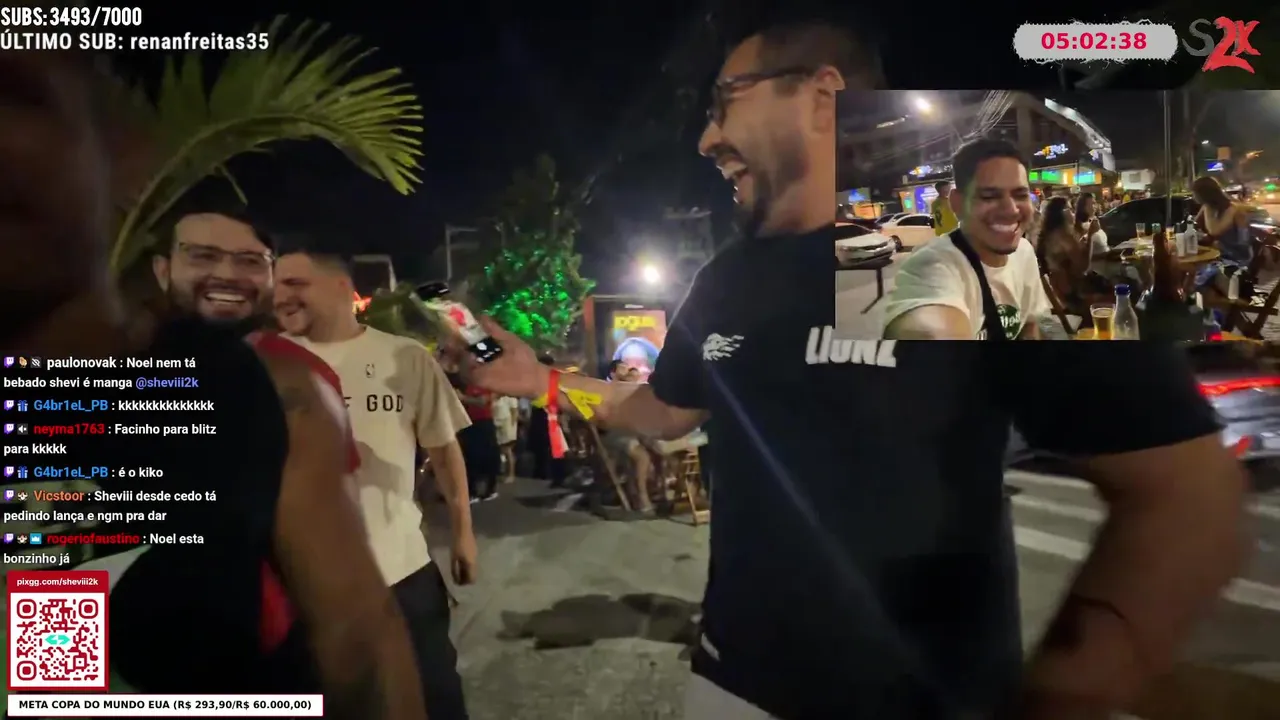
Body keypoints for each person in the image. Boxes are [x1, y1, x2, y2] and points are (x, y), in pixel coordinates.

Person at [451, 22, 1247, 720]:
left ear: (822, 96)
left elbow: (1185, 498)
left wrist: (1054, 700)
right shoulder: (725, 280)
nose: (705, 139)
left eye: (724, 102)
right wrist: (540, 382)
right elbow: (661, 409)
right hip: (731, 683)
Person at [2, 48, 424, 717]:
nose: (228, 276)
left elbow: (359, 641)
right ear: (164, 266)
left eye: (16, 94)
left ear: (120, 156)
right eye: (204, 256)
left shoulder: (266, 386)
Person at [273, 246, 476, 719]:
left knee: (434, 699)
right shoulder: (266, 362)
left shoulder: (405, 357)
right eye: (276, 286)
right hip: (302, 583)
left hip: (400, 571)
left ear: (341, 288)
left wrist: (463, 533)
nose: (280, 297)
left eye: (295, 284)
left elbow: (444, 452)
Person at [882, 138, 1051, 340]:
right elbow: (926, 328)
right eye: (989, 196)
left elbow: (1030, 324)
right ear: (957, 203)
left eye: (1021, 195)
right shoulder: (932, 265)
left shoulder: (1024, 251)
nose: (1011, 210)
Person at [601, 360, 656, 514]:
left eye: (627, 368)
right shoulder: (610, 390)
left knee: (661, 452)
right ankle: (642, 497)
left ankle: (649, 490)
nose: (626, 371)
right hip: (617, 434)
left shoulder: (630, 389)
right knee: (643, 457)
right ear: (613, 373)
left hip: (634, 433)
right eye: (622, 368)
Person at [1192, 175, 1255, 292]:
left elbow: (1214, 231)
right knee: (1188, 272)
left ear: (1204, 194)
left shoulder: (1232, 209)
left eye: (1195, 193)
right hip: (1220, 255)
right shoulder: (1211, 207)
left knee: (1196, 279)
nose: (1193, 196)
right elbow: (1194, 225)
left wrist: (1207, 208)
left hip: (1236, 259)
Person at [457, 381, 502, 501]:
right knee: (471, 456)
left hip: (484, 422)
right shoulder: (467, 385)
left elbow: (483, 401)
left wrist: (464, 398)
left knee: (489, 455)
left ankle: (490, 488)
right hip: (469, 422)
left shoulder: (486, 385)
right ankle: (472, 491)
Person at [493, 394, 520, 483]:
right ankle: (502, 472)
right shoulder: (494, 396)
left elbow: (514, 413)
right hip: (496, 425)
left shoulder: (510, 398)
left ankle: (511, 474)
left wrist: (512, 429)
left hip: (507, 426)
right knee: (500, 451)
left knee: (507, 450)